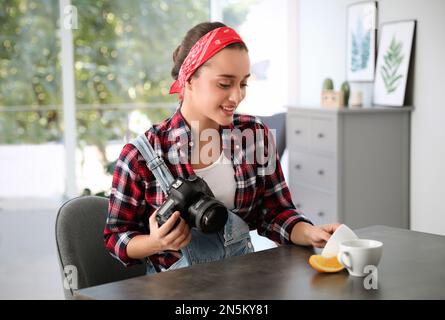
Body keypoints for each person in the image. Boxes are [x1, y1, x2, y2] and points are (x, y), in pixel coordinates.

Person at [104, 21, 340, 273]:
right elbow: (115, 237)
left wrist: (310, 232)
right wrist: (154, 243)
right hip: (176, 291)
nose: (237, 96)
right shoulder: (142, 155)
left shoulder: (254, 135)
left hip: (242, 281)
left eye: (243, 84)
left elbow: (276, 212)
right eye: (225, 84)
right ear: (190, 80)